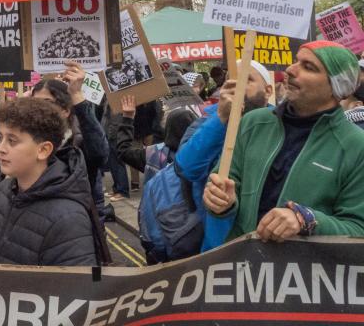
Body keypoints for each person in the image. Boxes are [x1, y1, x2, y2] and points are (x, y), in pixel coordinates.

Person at [204, 41, 364, 242]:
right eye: (296, 61)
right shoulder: (253, 123)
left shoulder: (356, 146)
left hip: (304, 271)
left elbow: (358, 228)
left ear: (337, 87)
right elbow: (226, 181)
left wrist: (307, 220)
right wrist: (221, 200)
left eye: (308, 67)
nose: (290, 69)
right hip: (242, 263)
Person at [0, 97, 100, 266]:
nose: (1, 148)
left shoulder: (69, 219)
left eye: (12, 141)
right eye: (0, 138)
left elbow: (74, 288)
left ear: (43, 150)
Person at [176, 60, 272, 252]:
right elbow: (185, 168)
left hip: (268, 244)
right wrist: (221, 119)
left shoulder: (280, 123)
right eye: (231, 80)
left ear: (268, 91)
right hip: (218, 244)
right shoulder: (207, 119)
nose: (237, 86)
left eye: (247, 80)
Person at [30, 61, 108, 188]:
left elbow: (100, 154)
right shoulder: (26, 139)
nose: (40, 108)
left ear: (65, 111)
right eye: (35, 103)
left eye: (47, 102)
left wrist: (77, 94)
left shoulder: (77, 142)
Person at [114, 94, 193, 184]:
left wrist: (127, 118)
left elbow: (123, 151)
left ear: (168, 128)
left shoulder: (154, 154)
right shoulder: (202, 156)